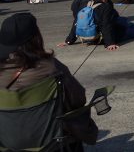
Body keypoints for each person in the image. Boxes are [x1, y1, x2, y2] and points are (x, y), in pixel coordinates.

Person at [0, 13, 98, 147]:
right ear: (36, 38)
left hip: (7, 142)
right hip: (49, 142)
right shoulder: (52, 68)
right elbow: (78, 98)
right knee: (73, 117)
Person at [61, 0, 134, 50]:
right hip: (101, 38)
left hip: (89, 39)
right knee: (129, 28)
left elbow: (76, 22)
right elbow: (106, 25)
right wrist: (110, 43)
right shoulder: (105, 7)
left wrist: (69, 41)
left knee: (124, 22)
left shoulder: (85, 6)